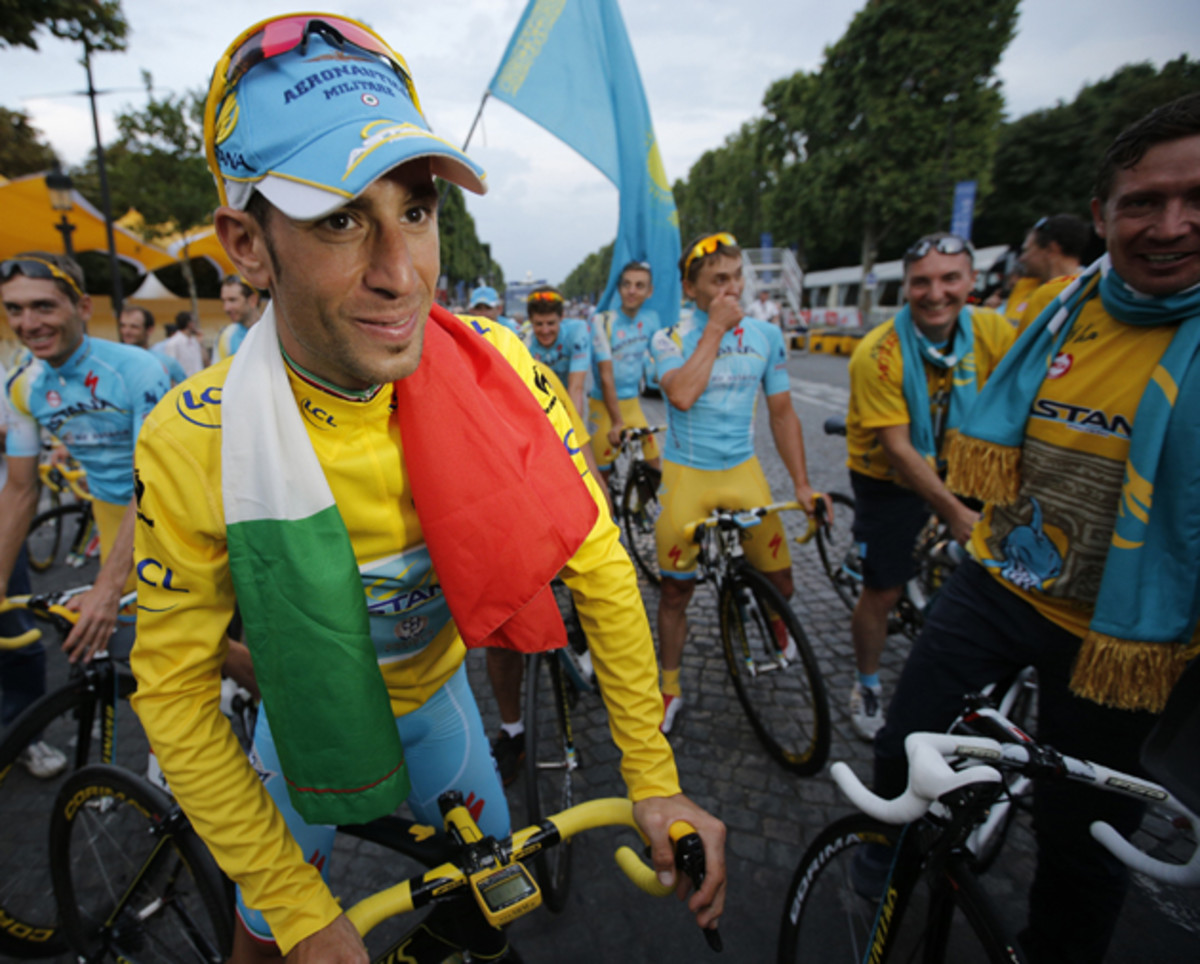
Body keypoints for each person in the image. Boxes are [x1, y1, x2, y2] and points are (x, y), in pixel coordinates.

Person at [129, 14, 725, 962]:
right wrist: (296, 902)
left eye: (415, 209)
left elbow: (601, 564)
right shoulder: (192, 437)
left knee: (496, 912)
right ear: (246, 244)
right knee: (270, 951)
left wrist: (653, 777)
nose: (402, 275)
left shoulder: (503, 366)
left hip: (439, 702)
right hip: (308, 729)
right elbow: (170, 692)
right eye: (338, 219)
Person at [872, 93, 1200, 964]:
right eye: (1143, 202)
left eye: (1195, 199)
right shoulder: (1053, 309)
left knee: (1080, 852)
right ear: (1102, 217)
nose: (1171, 224)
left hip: (1123, 643)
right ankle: (883, 866)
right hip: (998, 583)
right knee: (903, 745)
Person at [842, 233, 1015, 740]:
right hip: (889, 476)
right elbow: (898, 449)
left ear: (971, 282)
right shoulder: (877, 353)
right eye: (922, 282)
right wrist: (955, 512)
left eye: (949, 279)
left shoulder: (994, 330)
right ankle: (867, 683)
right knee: (884, 588)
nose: (935, 293)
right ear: (906, 287)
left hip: (964, 462)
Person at [649, 232, 819, 733]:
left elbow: (783, 416)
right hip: (688, 478)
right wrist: (714, 333)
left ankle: (772, 616)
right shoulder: (670, 339)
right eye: (718, 280)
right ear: (690, 289)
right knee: (676, 593)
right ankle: (669, 684)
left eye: (737, 276)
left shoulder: (766, 336)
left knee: (782, 580)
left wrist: (803, 485)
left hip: (743, 471)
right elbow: (680, 394)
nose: (732, 288)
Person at [0, 253, 170, 664]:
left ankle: (254, 696)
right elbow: (21, 488)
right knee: (129, 634)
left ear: (83, 307)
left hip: (174, 507)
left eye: (44, 306)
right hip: (113, 511)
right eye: (14, 309)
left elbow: (155, 482)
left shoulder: (138, 369)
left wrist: (108, 587)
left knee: (183, 636)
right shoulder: (23, 387)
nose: (28, 323)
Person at [588, 260, 663, 474]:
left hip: (632, 404)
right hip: (603, 406)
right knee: (601, 474)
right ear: (619, 288)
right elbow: (605, 377)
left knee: (653, 465)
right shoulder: (602, 321)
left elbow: (660, 363)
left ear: (649, 292)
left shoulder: (652, 319)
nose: (632, 291)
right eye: (627, 285)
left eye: (639, 286)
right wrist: (617, 422)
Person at [1012, 213, 1091, 333]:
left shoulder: (1090, 292)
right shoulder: (1022, 287)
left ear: (1051, 249)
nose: (1022, 258)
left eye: (1027, 250)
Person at [118, 304, 188, 385]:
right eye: (123, 326)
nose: (126, 331)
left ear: (149, 330)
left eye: (134, 327)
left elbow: (185, 390)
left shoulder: (166, 362)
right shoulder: (113, 361)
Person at [217, 275, 261, 360]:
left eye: (232, 300)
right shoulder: (226, 337)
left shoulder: (276, 331)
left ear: (253, 300)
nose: (226, 308)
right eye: (224, 301)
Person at [161, 309, 207, 376]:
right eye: (194, 321)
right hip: (184, 384)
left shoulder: (194, 341)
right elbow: (170, 369)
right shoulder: (173, 343)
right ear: (189, 324)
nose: (195, 324)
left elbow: (205, 361)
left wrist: (201, 342)